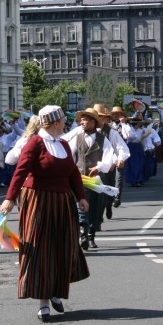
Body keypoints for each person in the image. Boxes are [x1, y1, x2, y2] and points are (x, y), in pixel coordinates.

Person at [0, 105, 90, 322]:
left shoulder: (63, 145)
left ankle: (56, 291)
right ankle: (43, 302)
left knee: (63, 247)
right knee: (40, 250)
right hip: (38, 201)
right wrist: (9, 198)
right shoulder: (35, 144)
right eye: (62, 121)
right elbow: (20, 171)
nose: (64, 125)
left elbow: (73, 174)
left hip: (62, 203)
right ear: (54, 123)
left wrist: (81, 197)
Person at [61, 107, 113, 250]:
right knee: (80, 205)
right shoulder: (76, 137)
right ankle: (83, 232)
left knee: (96, 207)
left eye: (84, 119)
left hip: (96, 179)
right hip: (79, 178)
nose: (81, 122)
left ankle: (91, 236)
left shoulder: (103, 139)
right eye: (81, 119)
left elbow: (109, 155)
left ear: (92, 122)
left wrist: (100, 166)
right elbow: (68, 156)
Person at [92, 104, 130, 220]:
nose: (98, 119)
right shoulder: (85, 131)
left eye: (100, 116)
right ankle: (97, 216)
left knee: (107, 190)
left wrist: (119, 159)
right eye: (96, 117)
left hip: (108, 166)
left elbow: (121, 147)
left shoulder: (111, 132)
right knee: (94, 192)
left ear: (105, 118)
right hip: (92, 166)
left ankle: (108, 206)